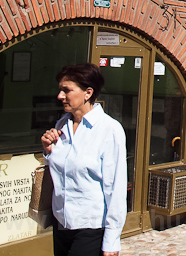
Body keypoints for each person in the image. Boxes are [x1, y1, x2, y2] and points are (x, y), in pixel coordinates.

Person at [41, 63, 127, 256]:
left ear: (88, 93)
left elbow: (115, 187)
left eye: (67, 90)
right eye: (60, 90)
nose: (60, 96)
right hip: (61, 222)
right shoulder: (62, 124)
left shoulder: (109, 130)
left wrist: (112, 239)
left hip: (90, 226)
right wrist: (48, 151)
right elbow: (60, 171)